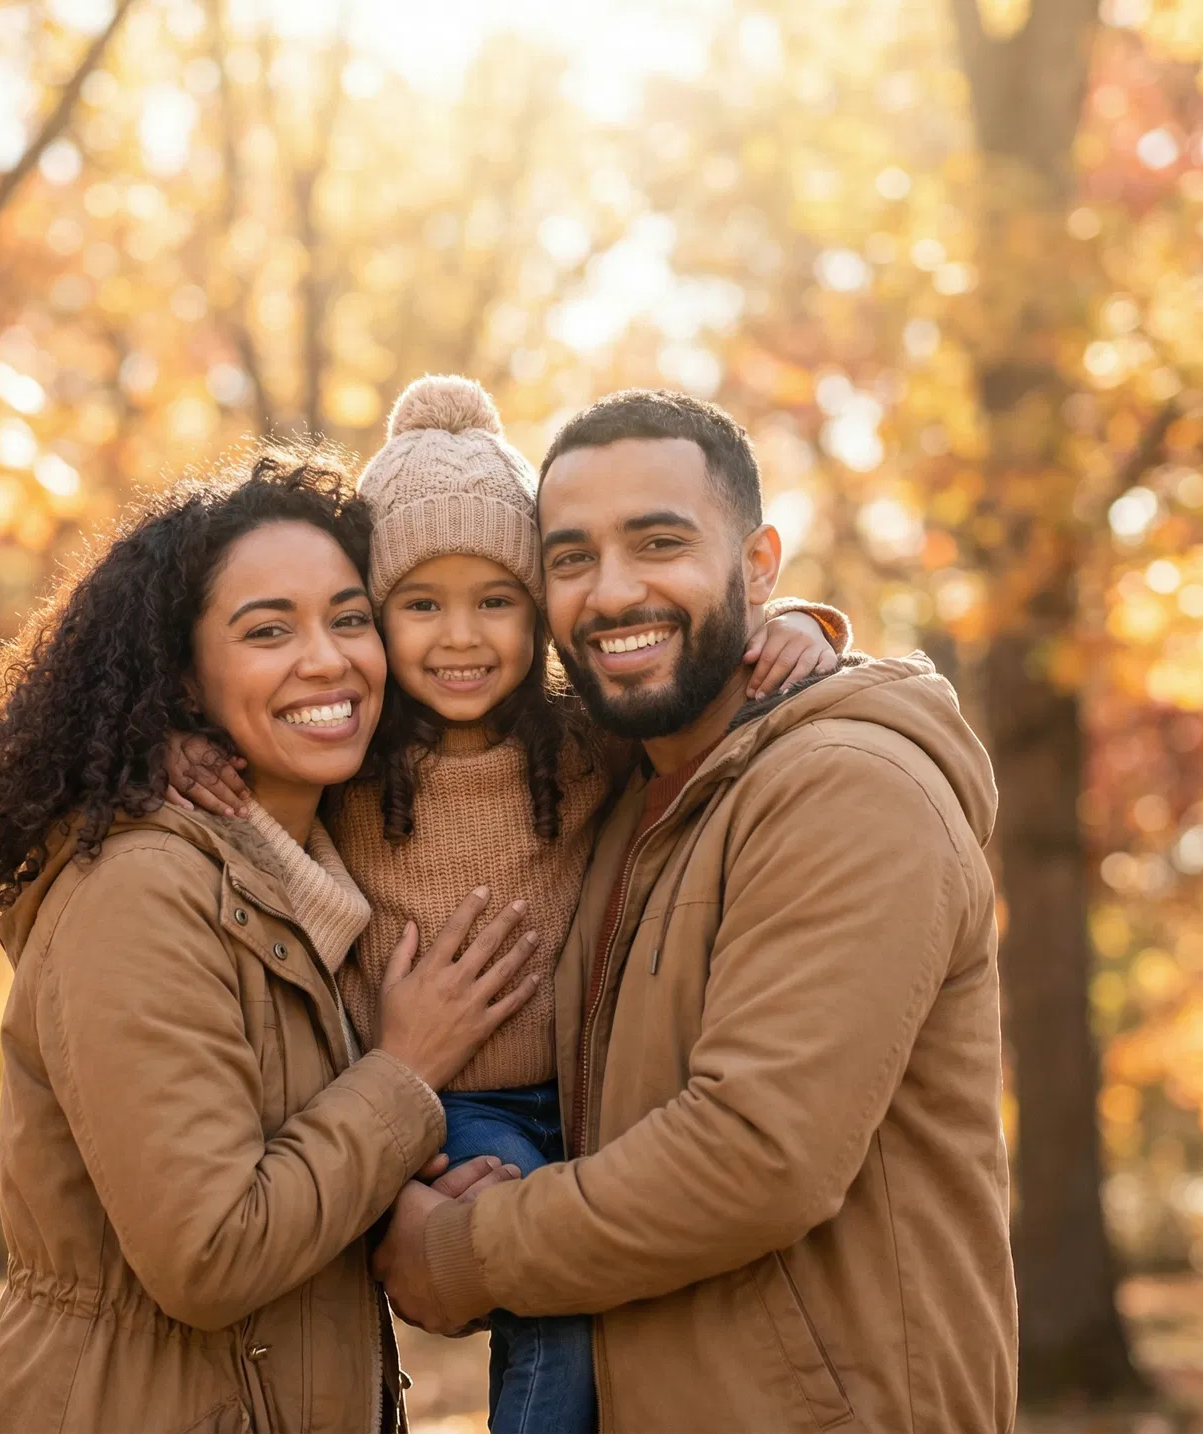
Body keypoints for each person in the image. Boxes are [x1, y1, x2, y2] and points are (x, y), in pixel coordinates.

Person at [167, 377, 850, 1434]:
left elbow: (685, 664)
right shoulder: (351, 760)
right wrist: (178, 741)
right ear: (376, 615)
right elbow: (277, 854)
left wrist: (799, 621)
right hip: (459, 1105)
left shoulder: (585, 740)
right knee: (550, 1300)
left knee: (621, 1288)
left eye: (497, 601)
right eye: (419, 605)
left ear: (539, 609)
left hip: (594, 1085)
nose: (461, 638)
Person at [371, 390, 1018, 1433]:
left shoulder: (848, 790)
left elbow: (757, 1156)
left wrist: (461, 1253)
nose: (612, 592)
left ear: (759, 565)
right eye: (571, 558)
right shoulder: (622, 795)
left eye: (659, 542)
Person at [0, 451, 540, 1434]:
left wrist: (418, 1198)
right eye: (269, 631)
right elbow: (209, 1254)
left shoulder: (321, 886)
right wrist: (405, 1072)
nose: (328, 659)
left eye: (351, 619)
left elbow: (288, 1170)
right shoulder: (143, 888)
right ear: (184, 673)